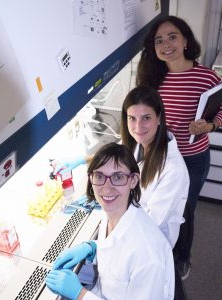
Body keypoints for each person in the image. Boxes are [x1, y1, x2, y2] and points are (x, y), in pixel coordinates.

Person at [136, 15, 222, 279]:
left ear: (186, 40)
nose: (166, 44)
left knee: (184, 210)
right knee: (154, 205)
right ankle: (157, 250)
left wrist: (210, 126)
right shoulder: (152, 79)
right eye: (159, 40)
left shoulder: (207, 77)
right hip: (159, 157)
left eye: (172, 36)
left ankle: (182, 257)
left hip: (193, 159)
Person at [45, 142, 175, 300]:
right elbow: (117, 248)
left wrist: (80, 295)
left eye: (118, 177)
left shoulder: (149, 257)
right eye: (99, 176)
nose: (107, 188)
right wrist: (93, 247)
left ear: (133, 180)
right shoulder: (111, 212)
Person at [121, 86, 189, 249]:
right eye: (132, 118)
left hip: (151, 242)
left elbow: (151, 221)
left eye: (146, 118)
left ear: (159, 118)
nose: (138, 127)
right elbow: (116, 156)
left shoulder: (173, 169)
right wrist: (83, 160)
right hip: (131, 226)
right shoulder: (139, 144)